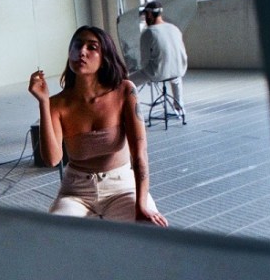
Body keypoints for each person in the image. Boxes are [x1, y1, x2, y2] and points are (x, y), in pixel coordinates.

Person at [28, 26, 167, 226]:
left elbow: (139, 154)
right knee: (55, 233)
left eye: (92, 47)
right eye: (77, 46)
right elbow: (52, 159)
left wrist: (141, 204)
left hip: (121, 187)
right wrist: (43, 102)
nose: (82, 52)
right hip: (76, 191)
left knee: (151, 229)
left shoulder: (124, 91)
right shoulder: (57, 103)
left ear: (104, 57)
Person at [130, 1, 188, 111]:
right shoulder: (174, 28)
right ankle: (179, 105)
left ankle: (130, 109)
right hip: (179, 70)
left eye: (145, 15)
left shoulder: (149, 32)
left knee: (127, 82)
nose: (145, 18)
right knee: (175, 77)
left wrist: (144, 74)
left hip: (157, 73)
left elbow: (144, 60)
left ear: (150, 14)